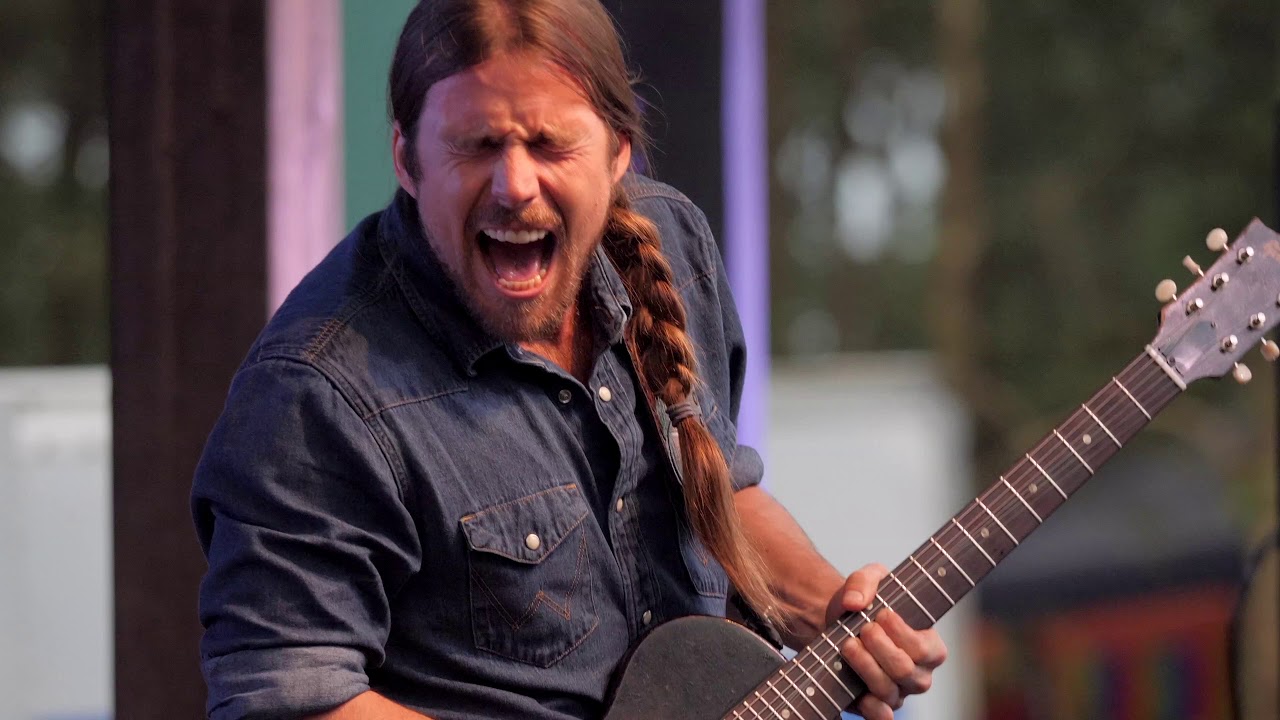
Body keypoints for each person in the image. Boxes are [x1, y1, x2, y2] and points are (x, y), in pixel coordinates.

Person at [191, 1, 947, 718]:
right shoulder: (312, 394)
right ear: (406, 159)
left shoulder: (672, 245)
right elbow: (287, 699)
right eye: (477, 145)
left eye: (550, 144)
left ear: (618, 152)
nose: (514, 186)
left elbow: (719, 490)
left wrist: (834, 609)